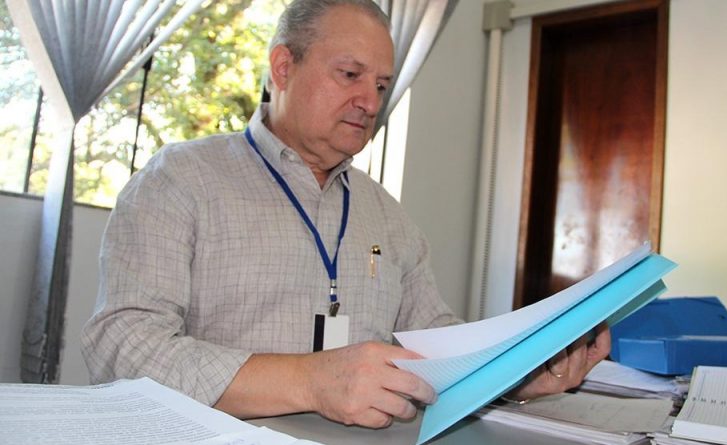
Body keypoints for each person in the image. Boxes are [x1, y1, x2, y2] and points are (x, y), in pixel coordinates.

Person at [81, 0, 610, 429]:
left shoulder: (388, 216)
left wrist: (520, 373)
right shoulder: (180, 179)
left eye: (380, 85)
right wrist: (309, 381)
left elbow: (437, 341)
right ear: (283, 67)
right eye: (350, 74)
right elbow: (123, 346)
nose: (370, 102)